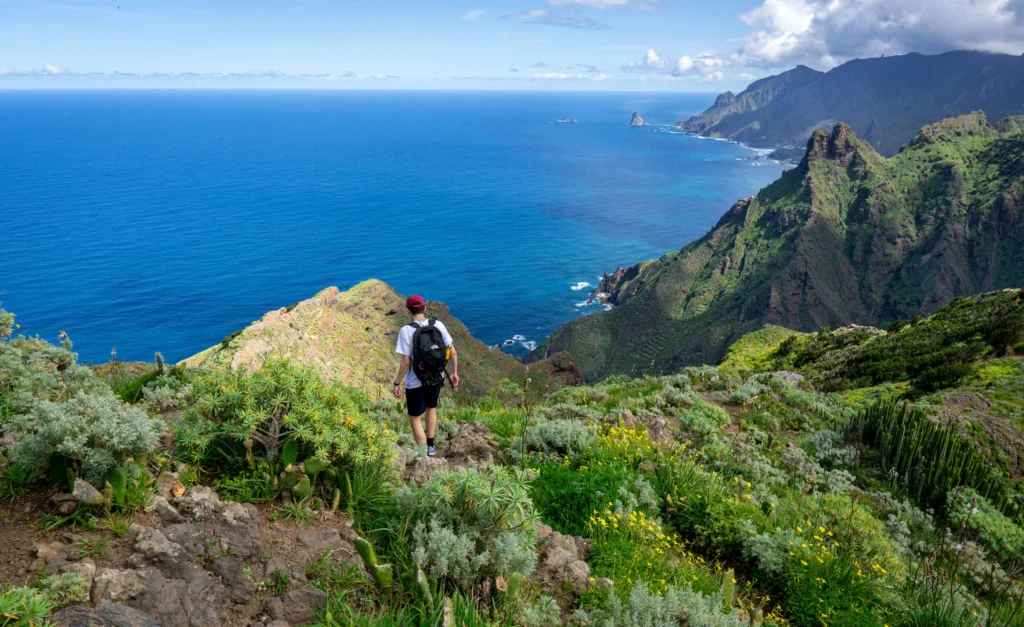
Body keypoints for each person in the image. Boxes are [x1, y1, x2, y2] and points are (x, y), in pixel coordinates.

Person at [393, 294, 459, 457]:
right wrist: (454, 373)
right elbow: (453, 352)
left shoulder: (406, 331)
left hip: (415, 381)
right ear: (425, 308)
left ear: (408, 310)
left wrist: (397, 382)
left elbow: (406, 362)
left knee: (415, 417)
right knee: (431, 408)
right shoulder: (438, 325)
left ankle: (424, 455)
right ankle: (431, 446)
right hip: (436, 377)